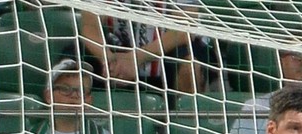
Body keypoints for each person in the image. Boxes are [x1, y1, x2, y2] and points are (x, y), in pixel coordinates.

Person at [78, 4, 208, 94]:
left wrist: (136, 59)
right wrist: (108, 59)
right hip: (117, 49)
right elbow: (90, 25)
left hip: (166, 47)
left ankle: (186, 127)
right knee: (74, 54)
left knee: (190, 66)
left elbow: (184, 29)